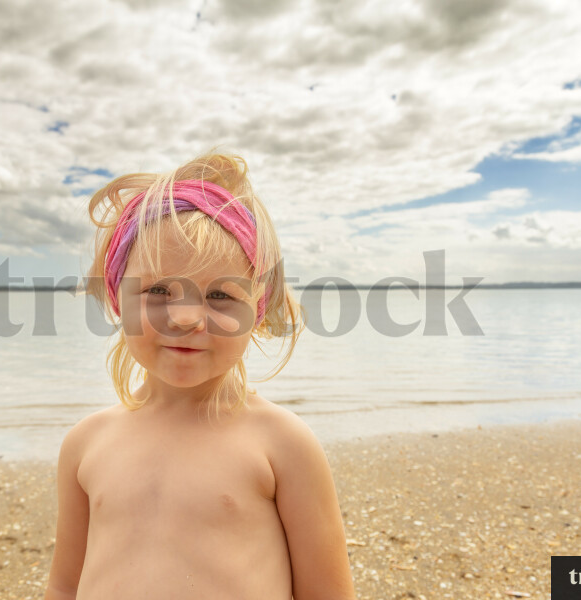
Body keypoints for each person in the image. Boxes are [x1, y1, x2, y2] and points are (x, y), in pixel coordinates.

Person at [43, 151, 356, 600]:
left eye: (219, 294)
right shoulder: (85, 443)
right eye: (157, 291)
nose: (187, 316)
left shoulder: (282, 444)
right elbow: (64, 585)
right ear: (117, 298)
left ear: (258, 309)